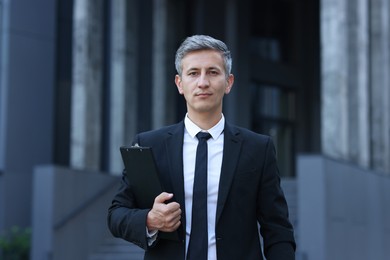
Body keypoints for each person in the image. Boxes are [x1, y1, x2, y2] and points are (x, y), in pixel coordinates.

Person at [107, 35, 296, 260]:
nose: (203, 82)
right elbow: (116, 214)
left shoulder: (258, 148)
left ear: (229, 82)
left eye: (213, 72)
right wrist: (150, 219)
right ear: (180, 83)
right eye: (194, 73)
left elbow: (278, 230)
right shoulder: (150, 145)